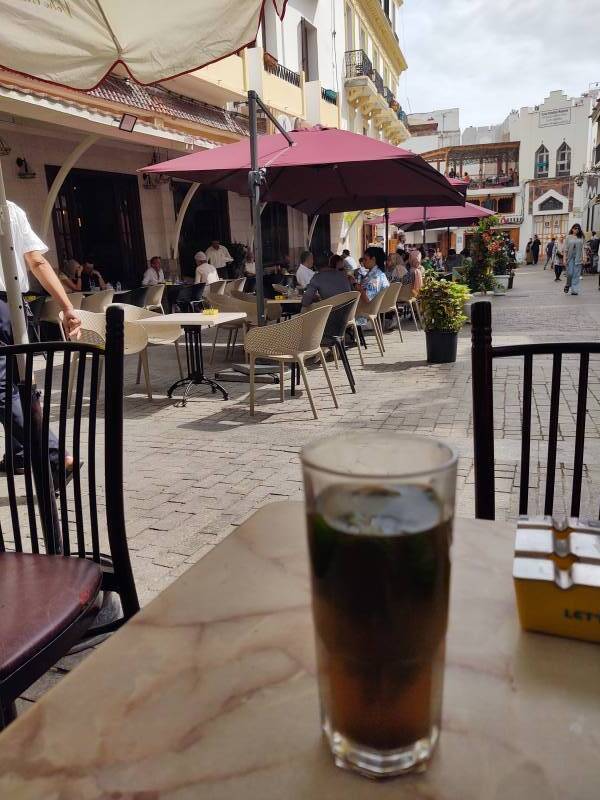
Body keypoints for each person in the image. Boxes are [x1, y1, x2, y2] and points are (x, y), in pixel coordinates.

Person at [0, 201, 81, 477]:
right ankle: (19, 454)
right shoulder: (10, 207)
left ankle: (56, 457)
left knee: (3, 389)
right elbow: (37, 261)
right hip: (15, 306)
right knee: (19, 381)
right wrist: (67, 306)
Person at [564, 223, 585, 296]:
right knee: (570, 273)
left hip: (578, 258)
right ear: (572, 229)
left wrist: (584, 257)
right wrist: (564, 259)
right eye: (575, 228)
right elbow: (565, 249)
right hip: (570, 258)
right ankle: (568, 284)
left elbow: (583, 248)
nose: (577, 230)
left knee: (576, 274)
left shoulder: (581, 237)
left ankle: (574, 290)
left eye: (578, 228)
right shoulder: (568, 237)